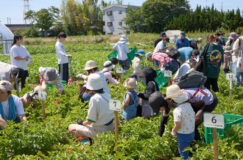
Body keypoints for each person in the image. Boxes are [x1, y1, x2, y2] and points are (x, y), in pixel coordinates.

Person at [68, 74, 114, 139]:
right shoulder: (107, 94)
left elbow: (90, 120)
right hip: (111, 127)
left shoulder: (94, 99)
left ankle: (90, 139)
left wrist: (81, 123)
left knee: (71, 127)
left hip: (101, 131)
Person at [165, 85, 195, 160]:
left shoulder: (177, 110)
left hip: (183, 135)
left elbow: (178, 125)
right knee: (188, 148)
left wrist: (173, 131)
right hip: (191, 132)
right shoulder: (189, 105)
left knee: (183, 153)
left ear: (173, 100)